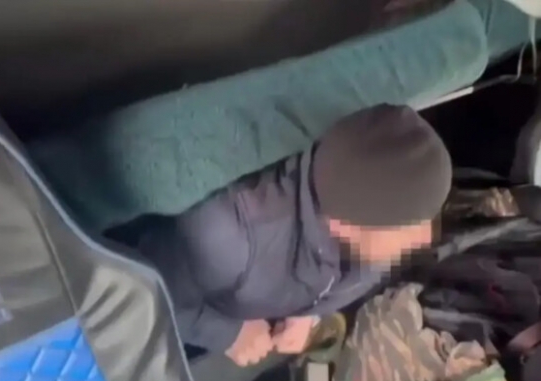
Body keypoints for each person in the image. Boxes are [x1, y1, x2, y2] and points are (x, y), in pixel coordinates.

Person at [138, 104, 452, 366]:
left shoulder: (367, 229)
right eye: (407, 225)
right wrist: (227, 334)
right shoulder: (226, 237)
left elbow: (364, 273)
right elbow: (141, 291)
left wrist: (308, 315)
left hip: (265, 306)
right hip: (190, 321)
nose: (424, 238)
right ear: (345, 224)